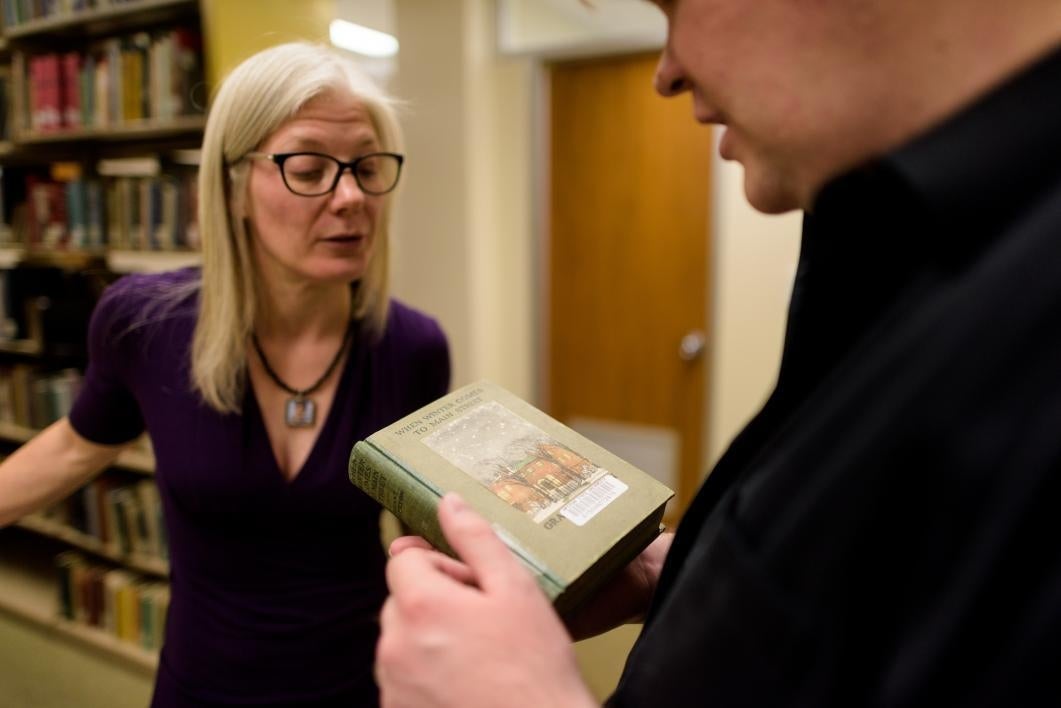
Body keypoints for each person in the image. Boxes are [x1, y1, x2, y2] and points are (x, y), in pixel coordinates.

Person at [374, 0, 1061, 706]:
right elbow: (878, 591)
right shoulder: (884, 239)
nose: (666, 73)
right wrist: (679, 576)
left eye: (675, 6)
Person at [0, 42, 449, 707]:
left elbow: (428, 539)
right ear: (234, 184)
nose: (350, 195)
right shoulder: (144, 326)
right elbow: (73, 447)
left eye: (366, 166)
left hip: (361, 684)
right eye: (309, 167)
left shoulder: (411, 348)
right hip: (204, 685)